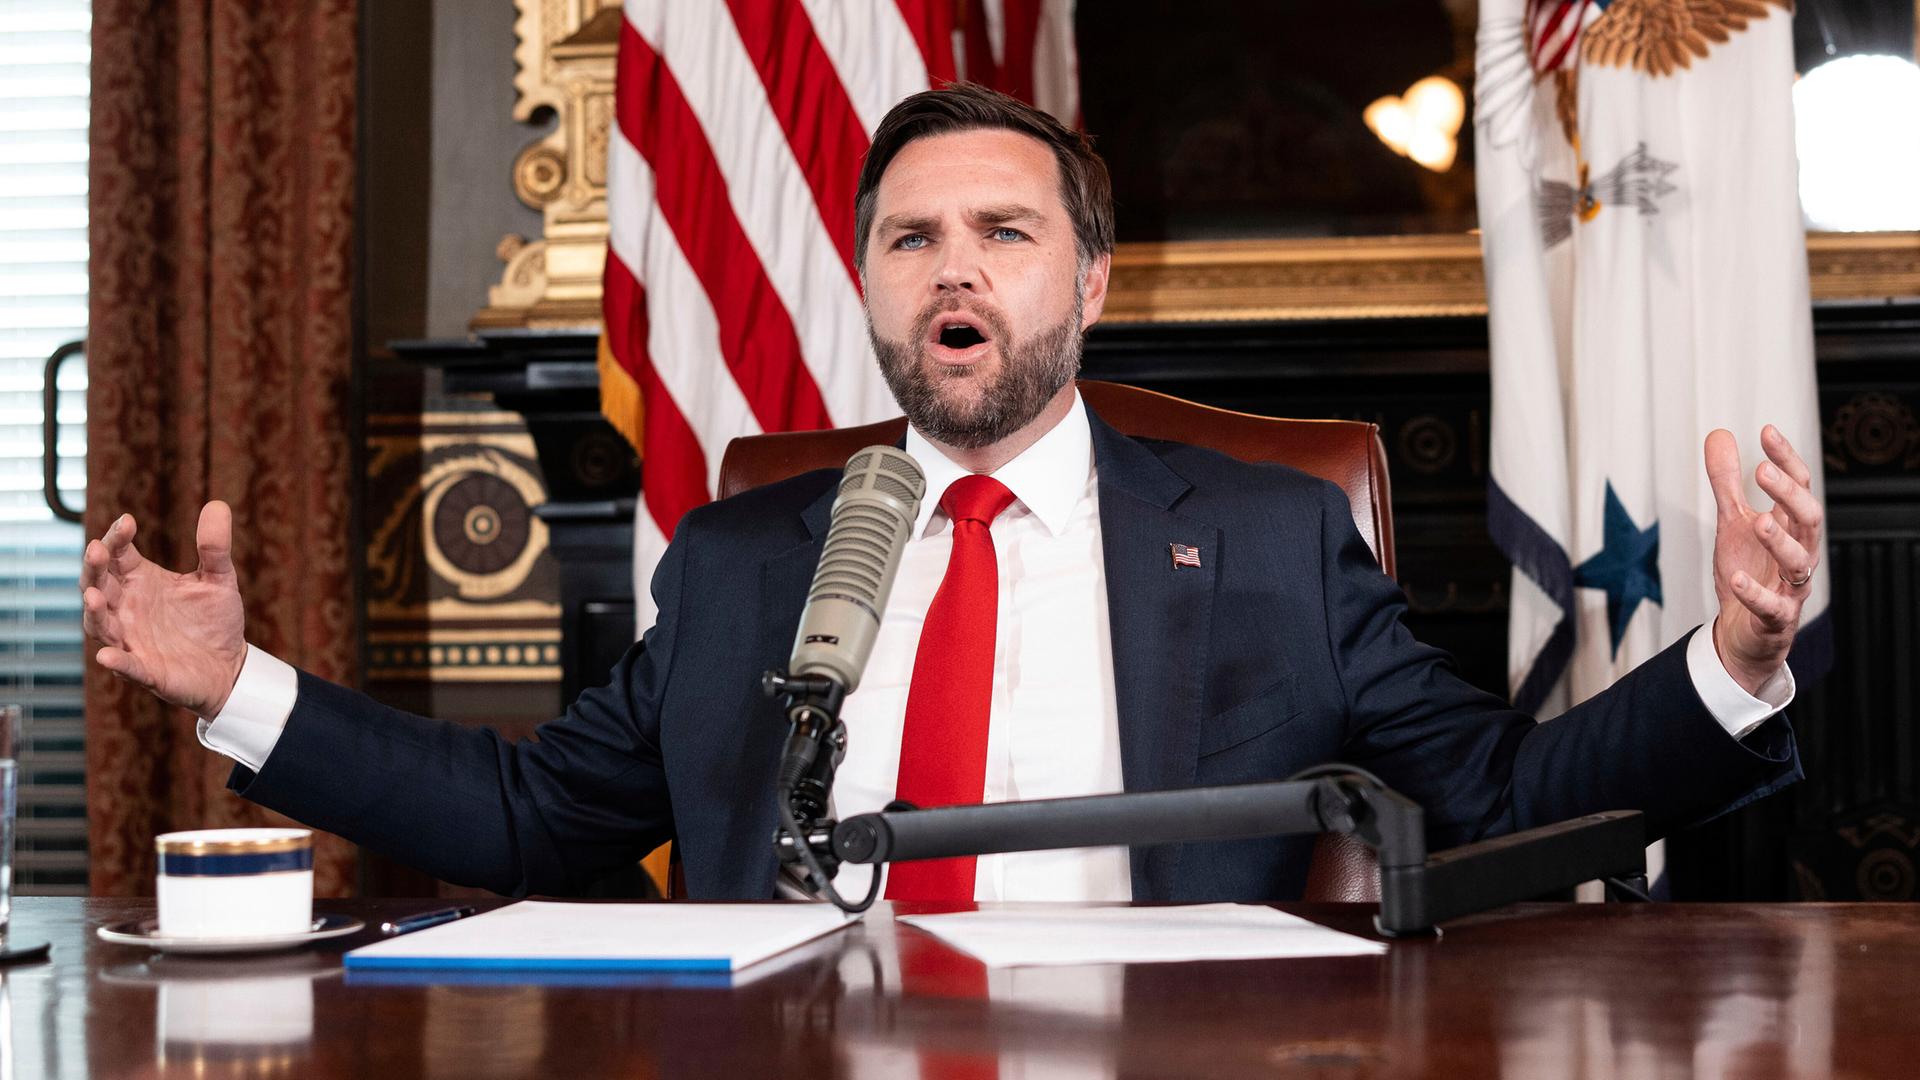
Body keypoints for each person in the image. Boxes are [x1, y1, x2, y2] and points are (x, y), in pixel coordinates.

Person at [80, 85, 1820, 903]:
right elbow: (537, 821)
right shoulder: (745, 561)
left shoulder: (1272, 542)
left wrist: (1736, 658)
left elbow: (1505, 796)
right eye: (911, 238)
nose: (954, 267)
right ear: (869, 285)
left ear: (1090, 281)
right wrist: (238, 683)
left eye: (1004, 230)